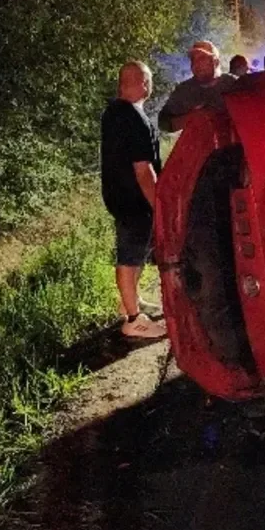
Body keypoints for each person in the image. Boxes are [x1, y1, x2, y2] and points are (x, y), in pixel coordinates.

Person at [100, 61, 164, 339]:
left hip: (118, 196)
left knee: (135, 252)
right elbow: (143, 171)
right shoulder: (136, 120)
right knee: (129, 256)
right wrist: (159, 204)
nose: (149, 85)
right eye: (148, 80)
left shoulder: (113, 113)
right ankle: (134, 319)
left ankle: (130, 303)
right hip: (135, 200)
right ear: (143, 83)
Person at [158, 40, 236, 132]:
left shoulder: (232, 84)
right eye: (193, 60)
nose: (196, 64)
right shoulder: (185, 91)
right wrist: (190, 118)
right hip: (203, 144)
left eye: (202, 58)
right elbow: (163, 122)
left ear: (216, 62)